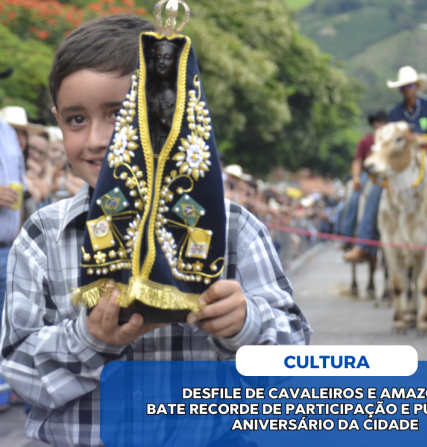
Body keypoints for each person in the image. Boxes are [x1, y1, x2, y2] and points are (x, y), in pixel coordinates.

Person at [0, 14, 311, 446]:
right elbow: (19, 370)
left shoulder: (234, 229)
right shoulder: (43, 236)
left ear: (167, 114)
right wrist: (88, 339)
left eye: (119, 114)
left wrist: (245, 323)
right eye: (75, 119)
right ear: (56, 118)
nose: (95, 139)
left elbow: (296, 360)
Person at [344, 66, 427, 262]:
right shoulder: (395, 113)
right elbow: (388, 140)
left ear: (417, 86)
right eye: (403, 87)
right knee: (373, 192)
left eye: (410, 85)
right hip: (401, 166)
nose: (407, 89)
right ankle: (363, 245)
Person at [0, 71, 29, 414]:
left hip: (8, 245)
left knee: (8, 324)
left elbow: (18, 185)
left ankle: (5, 393)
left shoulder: (8, 133)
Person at [340, 110, 387, 242]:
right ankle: (347, 236)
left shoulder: (390, 141)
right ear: (374, 123)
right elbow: (357, 161)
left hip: (387, 174)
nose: (382, 124)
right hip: (369, 174)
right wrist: (356, 178)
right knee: (354, 198)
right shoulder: (366, 141)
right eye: (379, 121)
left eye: (385, 121)